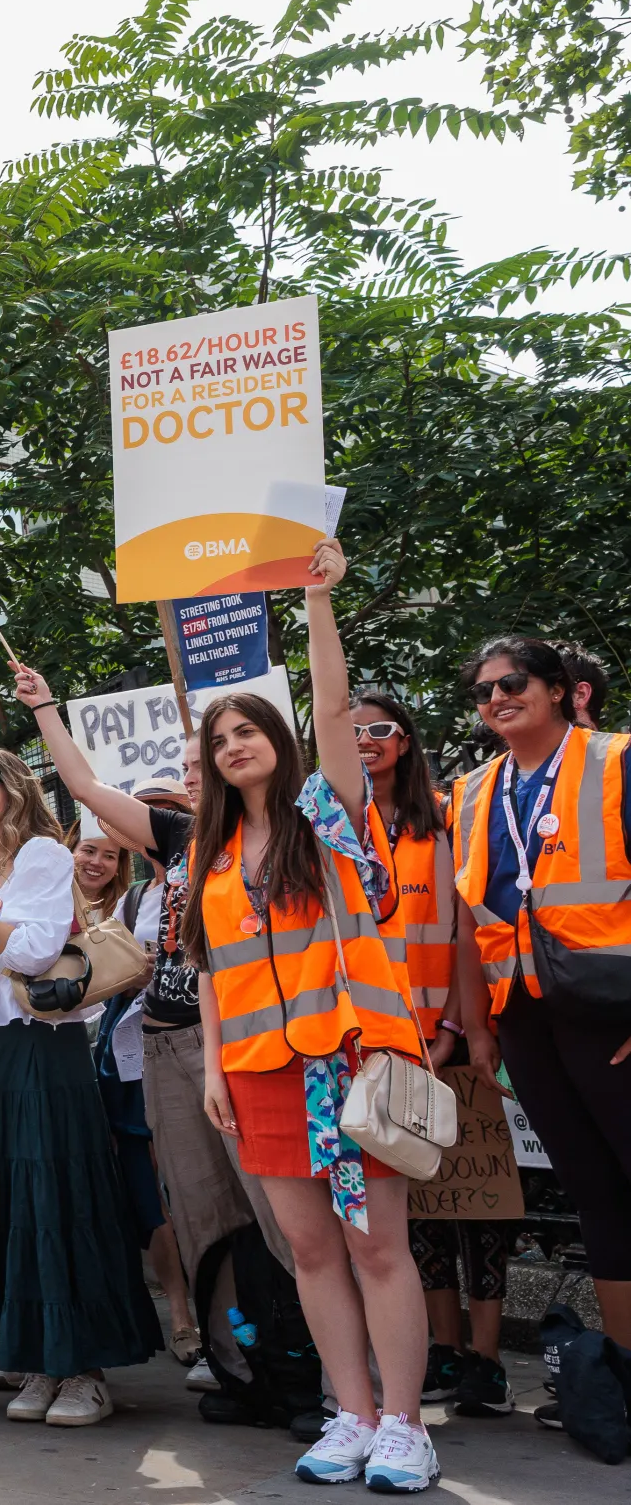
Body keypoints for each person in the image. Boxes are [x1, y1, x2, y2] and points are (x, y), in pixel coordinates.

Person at [183, 539, 440, 1490]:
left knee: (378, 1245)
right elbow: (211, 971)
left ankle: (406, 1424)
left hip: (354, 1061)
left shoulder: (328, 814)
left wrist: (316, 599)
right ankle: (353, 1414)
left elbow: (334, 706)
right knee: (309, 1251)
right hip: (257, 1073)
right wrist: (213, 1067)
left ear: (280, 742)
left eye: (249, 729)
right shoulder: (208, 859)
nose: (234, 744)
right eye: (219, 737)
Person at [17, 667, 293, 1400]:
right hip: (168, 1051)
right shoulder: (178, 837)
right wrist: (46, 705)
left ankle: (313, 1364)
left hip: (242, 1042)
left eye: (209, 763)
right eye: (189, 764)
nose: (196, 775)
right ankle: (237, 1360)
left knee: (281, 1211)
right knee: (203, 1212)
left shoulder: (280, 837)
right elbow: (86, 790)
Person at [0, 744, 159, 1427]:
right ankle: (33, 1355)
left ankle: (82, 1369)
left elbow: (35, 952)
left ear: (15, 790)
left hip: (46, 1052)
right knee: (8, 1204)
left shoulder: (43, 854)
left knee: (56, 1199)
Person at [449, 633, 631, 1434]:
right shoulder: (472, 791)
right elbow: (466, 922)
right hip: (524, 1015)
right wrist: (482, 1027)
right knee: (596, 1197)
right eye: (484, 690)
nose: (497, 697)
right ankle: (624, 1374)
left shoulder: (618, 760)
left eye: (513, 681)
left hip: (612, 1010)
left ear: (561, 689)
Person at [353, 687, 512, 1419]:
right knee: (411, 1208)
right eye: (351, 730)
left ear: (406, 741)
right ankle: (442, 1348)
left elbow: (463, 933)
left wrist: (454, 1027)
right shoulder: (332, 827)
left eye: (380, 729)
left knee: (475, 1203)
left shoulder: (445, 818)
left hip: (442, 1043)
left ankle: (485, 1359)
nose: (366, 740)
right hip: (367, 1049)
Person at [71, 822, 201, 1373]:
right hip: (126, 1061)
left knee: (195, 1190)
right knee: (151, 1193)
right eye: (87, 850)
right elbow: (108, 985)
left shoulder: (205, 880)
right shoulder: (131, 902)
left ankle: (224, 1319)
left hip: (192, 1052)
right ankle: (181, 1317)